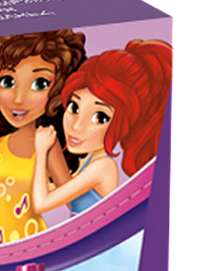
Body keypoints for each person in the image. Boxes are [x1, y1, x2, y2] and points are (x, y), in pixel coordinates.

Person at [32, 39, 173, 220]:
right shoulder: (88, 160)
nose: (76, 126)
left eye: (99, 118)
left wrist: (41, 150)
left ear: (121, 124)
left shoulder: (103, 167)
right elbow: (56, 191)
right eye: (74, 108)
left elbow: (41, 203)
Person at [0, 30, 87, 243]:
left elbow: (75, 203)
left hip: (34, 247)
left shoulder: (46, 143)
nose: (19, 99)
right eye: (8, 81)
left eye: (39, 84)